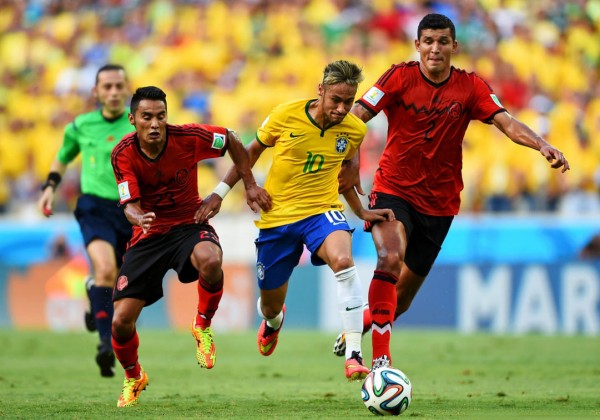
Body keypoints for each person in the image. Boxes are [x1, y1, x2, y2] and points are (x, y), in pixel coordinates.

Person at [333, 13, 571, 370]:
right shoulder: (398, 76)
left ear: (454, 46)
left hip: (440, 202)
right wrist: (349, 158)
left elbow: (505, 121)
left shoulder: (471, 86)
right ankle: (381, 361)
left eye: (442, 42)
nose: (435, 49)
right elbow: (356, 115)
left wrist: (541, 144)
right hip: (393, 188)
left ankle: (363, 323)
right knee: (389, 258)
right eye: (427, 41)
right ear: (417, 45)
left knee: (404, 297)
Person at [196, 60, 394, 382]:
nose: (343, 109)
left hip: (322, 210)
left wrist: (360, 212)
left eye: (349, 101)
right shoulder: (285, 115)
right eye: (336, 100)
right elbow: (250, 152)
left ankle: (354, 355)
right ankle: (274, 323)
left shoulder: (355, 130)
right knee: (270, 306)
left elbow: (347, 178)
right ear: (321, 91)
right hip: (278, 216)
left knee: (345, 261)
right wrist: (225, 191)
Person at [110, 86, 270, 408]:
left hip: (188, 224)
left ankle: (202, 325)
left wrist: (239, 188)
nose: (155, 124)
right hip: (149, 234)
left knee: (211, 261)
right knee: (120, 322)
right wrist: (138, 217)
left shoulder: (188, 137)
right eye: (146, 117)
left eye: (160, 116)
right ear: (132, 119)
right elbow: (128, 204)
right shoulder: (122, 153)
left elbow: (233, 139)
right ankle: (133, 376)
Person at [37, 64, 134, 378]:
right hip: (93, 207)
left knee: (119, 283)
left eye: (119, 86)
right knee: (106, 269)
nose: (114, 92)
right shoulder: (80, 126)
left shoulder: (139, 126)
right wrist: (49, 188)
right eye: (107, 87)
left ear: (127, 89)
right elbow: (63, 156)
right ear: (96, 92)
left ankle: (95, 295)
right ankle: (105, 345)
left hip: (130, 209)